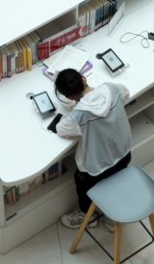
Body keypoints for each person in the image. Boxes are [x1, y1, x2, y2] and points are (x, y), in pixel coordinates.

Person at [50, 69, 130, 231]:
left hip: (98, 168)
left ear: (69, 97)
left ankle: (87, 215)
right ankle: (111, 219)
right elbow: (126, 94)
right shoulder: (111, 89)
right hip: (124, 154)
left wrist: (71, 113)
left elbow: (61, 129)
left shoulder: (79, 115)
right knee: (113, 178)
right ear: (83, 78)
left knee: (81, 179)